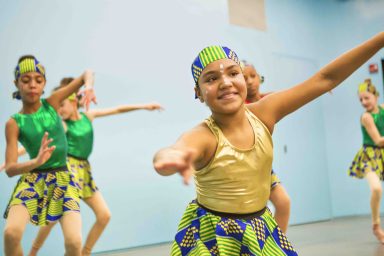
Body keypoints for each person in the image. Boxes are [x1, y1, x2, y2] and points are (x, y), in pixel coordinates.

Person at [154, 32, 384, 255]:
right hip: (213, 236)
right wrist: (169, 157)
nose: (225, 82)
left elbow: (325, 79)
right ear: (199, 93)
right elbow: (175, 149)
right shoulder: (204, 135)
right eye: (212, 79)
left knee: (282, 202)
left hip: (259, 226)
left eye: (233, 73)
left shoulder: (265, 112)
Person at [28, 77, 163, 256]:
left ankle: (85, 252)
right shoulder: (62, 125)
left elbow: (117, 109)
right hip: (68, 169)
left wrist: (144, 106)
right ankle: (32, 252)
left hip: (84, 171)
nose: (59, 111)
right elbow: (39, 142)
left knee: (104, 215)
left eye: (61, 106)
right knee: (54, 215)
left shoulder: (88, 116)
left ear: (73, 100)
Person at [3, 55, 96, 256]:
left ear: (44, 83)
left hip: (64, 179)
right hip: (31, 181)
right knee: (11, 233)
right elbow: (10, 169)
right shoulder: (14, 123)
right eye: (25, 80)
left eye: (38, 80)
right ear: (17, 83)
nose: (32, 85)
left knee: (74, 242)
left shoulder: (52, 103)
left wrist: (88, 86)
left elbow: (87, 73)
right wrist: (35, 162)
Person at [243, 62, 291, 233]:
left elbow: (292, 95)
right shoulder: (239, 106)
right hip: (242, 168)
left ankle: (277, 248)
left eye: (252, 76)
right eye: (244, 77)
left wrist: (320, 90)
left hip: (263, 166)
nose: (249, 81)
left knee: (283, 202)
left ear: (260, 78)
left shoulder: (268, 100)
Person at [349, 78, 384, 243]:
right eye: (360, 99)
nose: (363, 102)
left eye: (366, 98)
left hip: (382, 155)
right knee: (376, 189)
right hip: (368, 157)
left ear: (376, 96)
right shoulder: (366, 117)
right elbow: (378, 141)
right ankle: (376, 226)